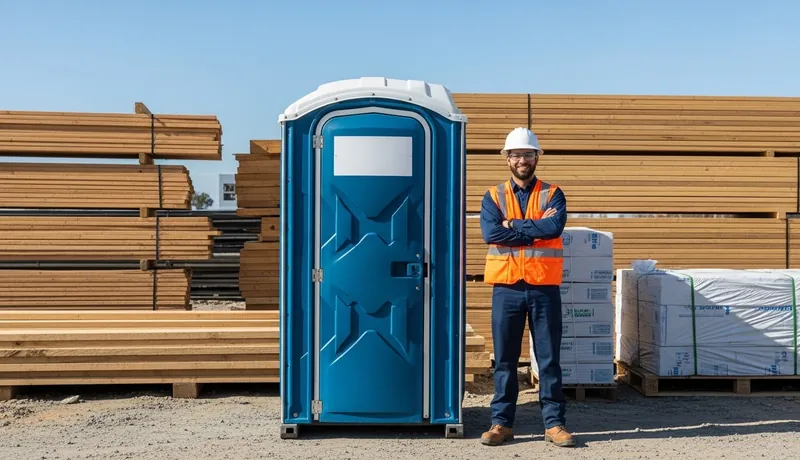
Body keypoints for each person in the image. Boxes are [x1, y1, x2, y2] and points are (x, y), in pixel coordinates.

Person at [478, 127, 574, 448]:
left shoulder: (553, 193)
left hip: (543, 287)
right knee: (505, 360)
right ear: (507, 158)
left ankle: (554, 424)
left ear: (537, 158)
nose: (522, 160)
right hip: (507, 288)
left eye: (528, 154)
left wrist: (513, 225)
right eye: (516, 155)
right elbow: (491, 234)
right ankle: (501, 424)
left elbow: (554, 227)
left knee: (548, 359)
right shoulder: (493, 196)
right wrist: (533, 232)